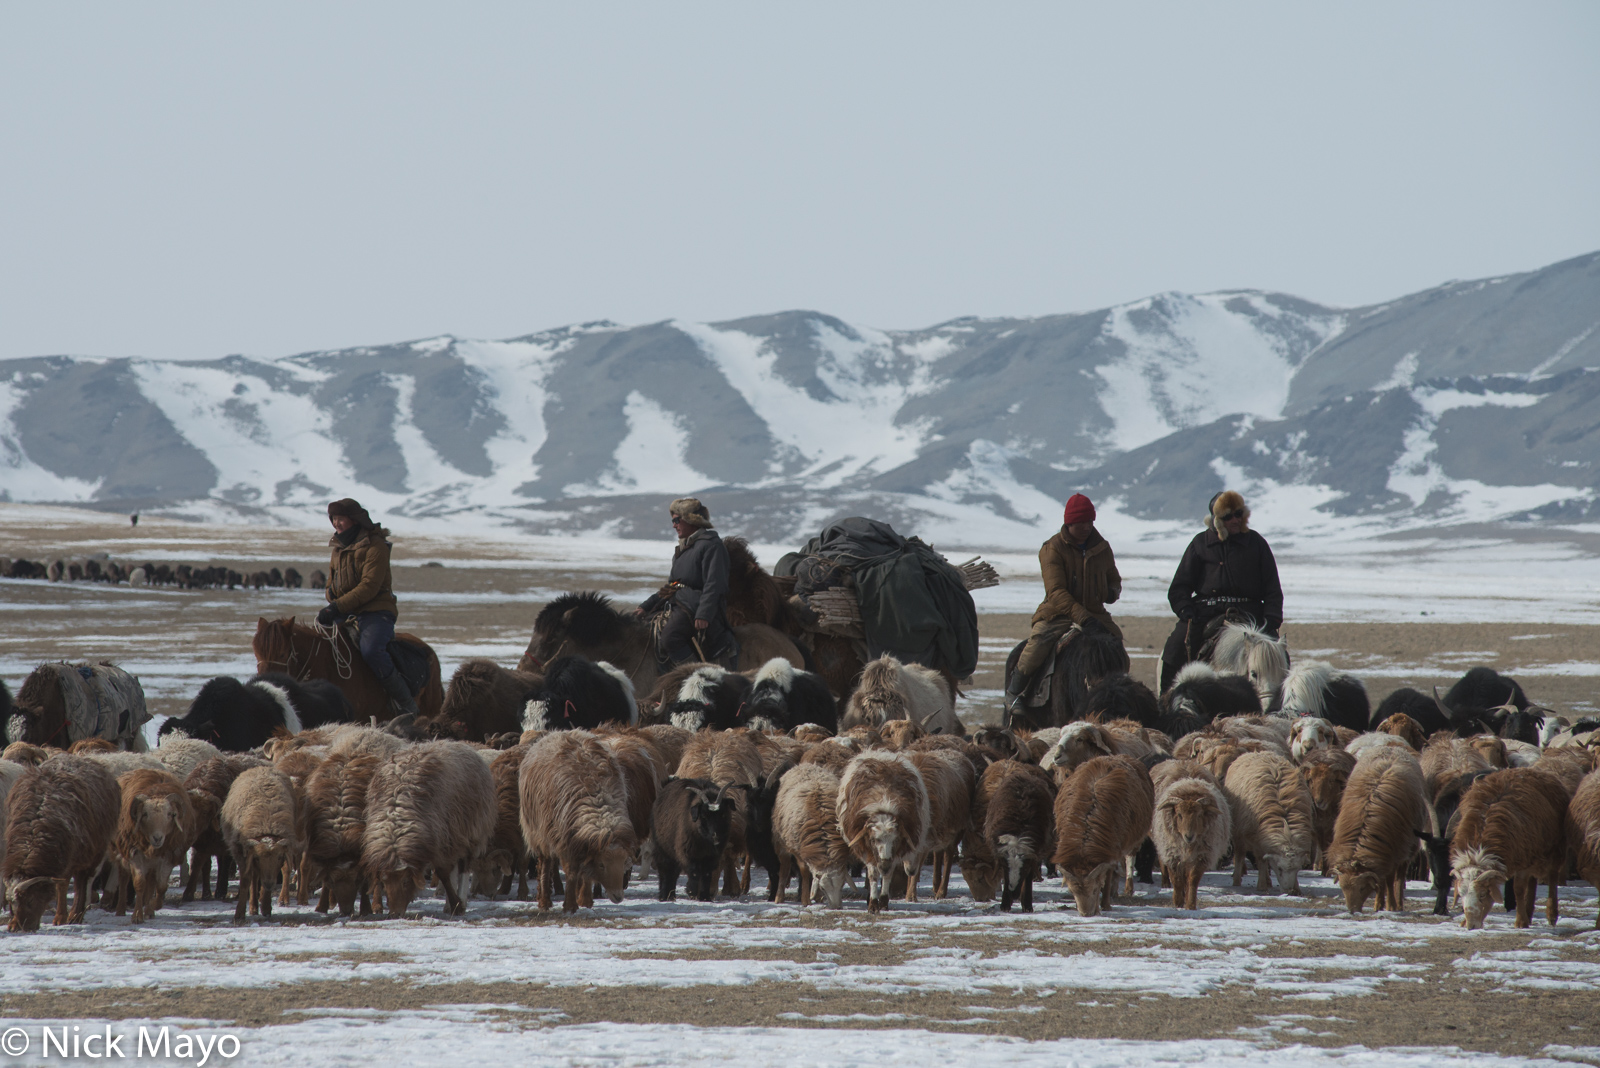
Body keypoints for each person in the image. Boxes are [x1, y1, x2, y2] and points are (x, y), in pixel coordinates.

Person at [1005, 493, 1123, 709]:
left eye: (1089, 521)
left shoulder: (1102, 548)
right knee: (1039, 642)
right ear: (1069, 523)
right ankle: (1014, 693)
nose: (1086, 527)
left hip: (1095, 615)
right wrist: (1083, 618)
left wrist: (1112, 591)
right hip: (1059, 614)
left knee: (1117, 647)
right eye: (1080, 522)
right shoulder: (1053, 548)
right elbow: (1056, 592)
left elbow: (1113, 578)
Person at [1159, 489, 1283, 693]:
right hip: (1206, 612)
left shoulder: (1257, 543)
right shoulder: (1200, 544)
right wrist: (1186, 612)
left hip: (1250, 613)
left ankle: (1284, 706)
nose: (1235, 520)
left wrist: (1271, 620)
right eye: (1228, 516)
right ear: (1216, 520)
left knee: (1279, 655)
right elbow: (1179, 588)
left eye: (1238, 514)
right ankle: (1166, 703)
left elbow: (1272, 589)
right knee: (1174, 649)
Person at [315, 498, 417, 718]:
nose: (336, 523)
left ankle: (405, 702)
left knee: (371, 650)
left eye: (340, 518)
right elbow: (330, 582)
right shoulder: (338, 548)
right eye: (333, 519)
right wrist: (331, 598)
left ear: (354, 519)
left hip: (376, 611)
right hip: (346, 611)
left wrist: (336, 606)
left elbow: (369, 587)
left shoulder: (375, 546)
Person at [636, 497, 738, 667]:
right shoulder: (684, 549)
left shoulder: (711, 546)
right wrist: (646, 606)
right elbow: (673, 585)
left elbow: (714, 584)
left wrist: (703, 614)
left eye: (677, 520)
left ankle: (695, 676)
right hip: (679, 603)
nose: (674, 525)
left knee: (670, 638)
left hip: (694, 607)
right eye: (673, 521)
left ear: (691, 520)